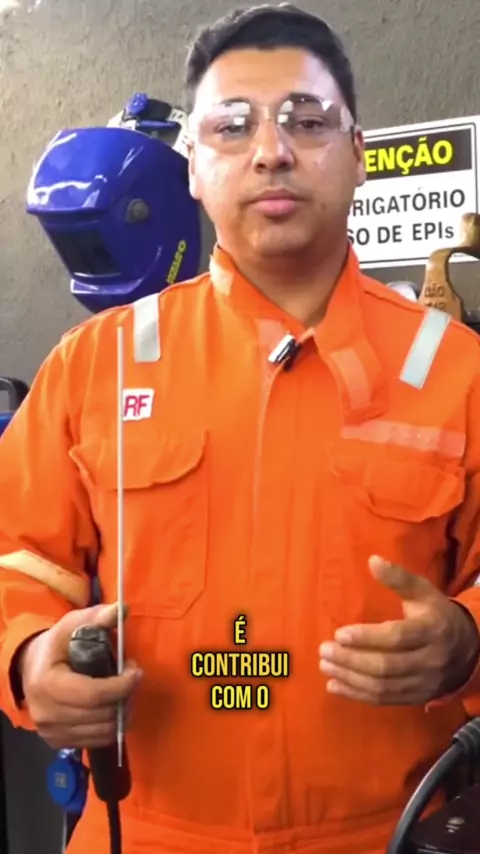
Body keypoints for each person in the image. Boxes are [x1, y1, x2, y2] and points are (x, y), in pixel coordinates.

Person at [1, 4, 480, 853]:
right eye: (232, 126)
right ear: (192, 165)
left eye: (307, 120)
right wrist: (29, 655)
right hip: (141, 833)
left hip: (392, 835)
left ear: (359, 153)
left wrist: (468, 640)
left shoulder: (458, 373)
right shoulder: (96, 366)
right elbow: (18, 558)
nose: (271, 151)